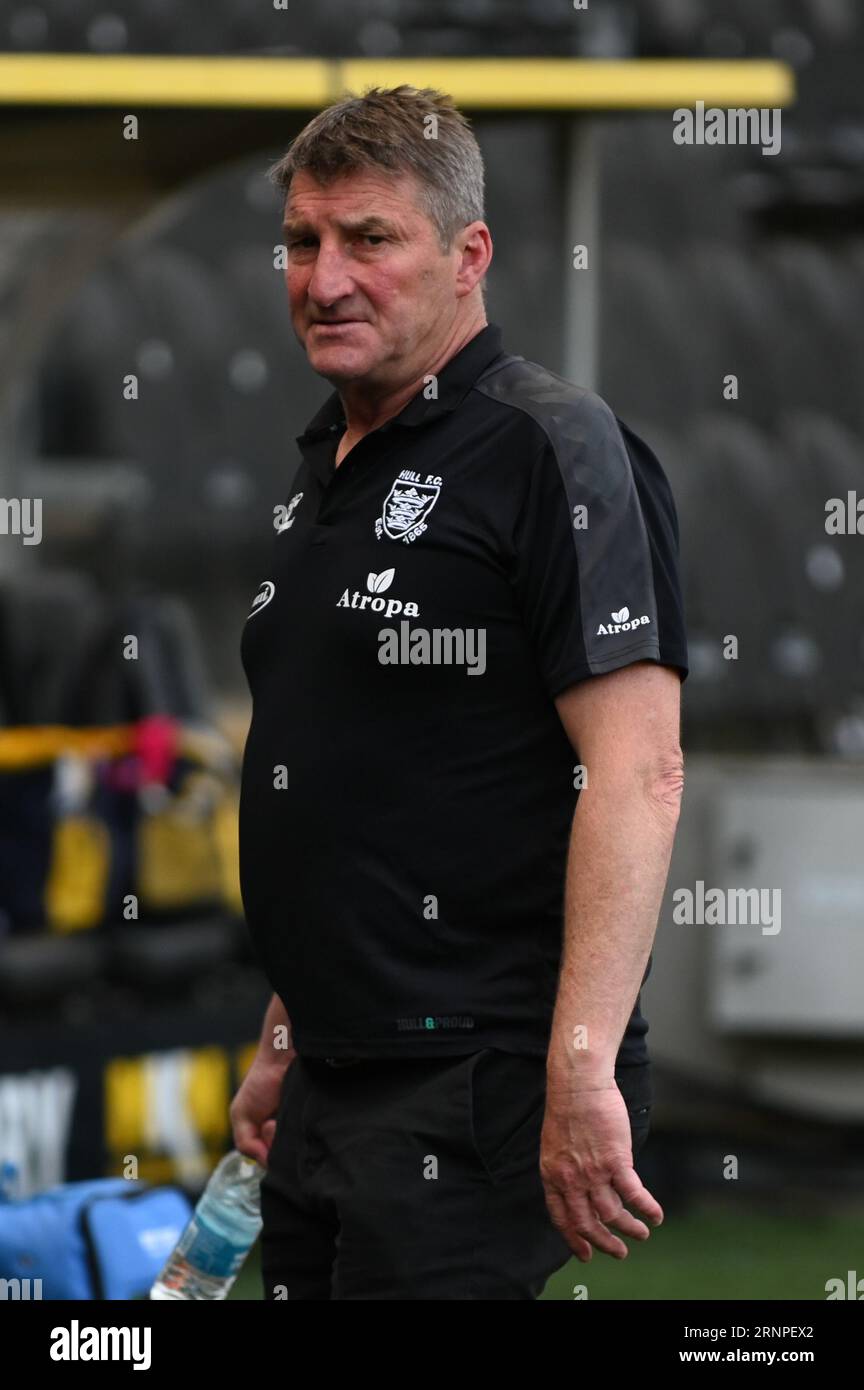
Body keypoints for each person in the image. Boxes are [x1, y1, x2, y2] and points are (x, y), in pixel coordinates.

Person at [230, 84, 688, 1300]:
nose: (324, 279)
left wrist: (580, 1069)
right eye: (302, 242)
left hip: (474, 1080)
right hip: (336, 1073)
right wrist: (287, 1039)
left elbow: (640, 773)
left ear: (468, 255)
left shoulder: (554, 448)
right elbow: (351, 791)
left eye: (369, 240)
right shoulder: (320, 464)